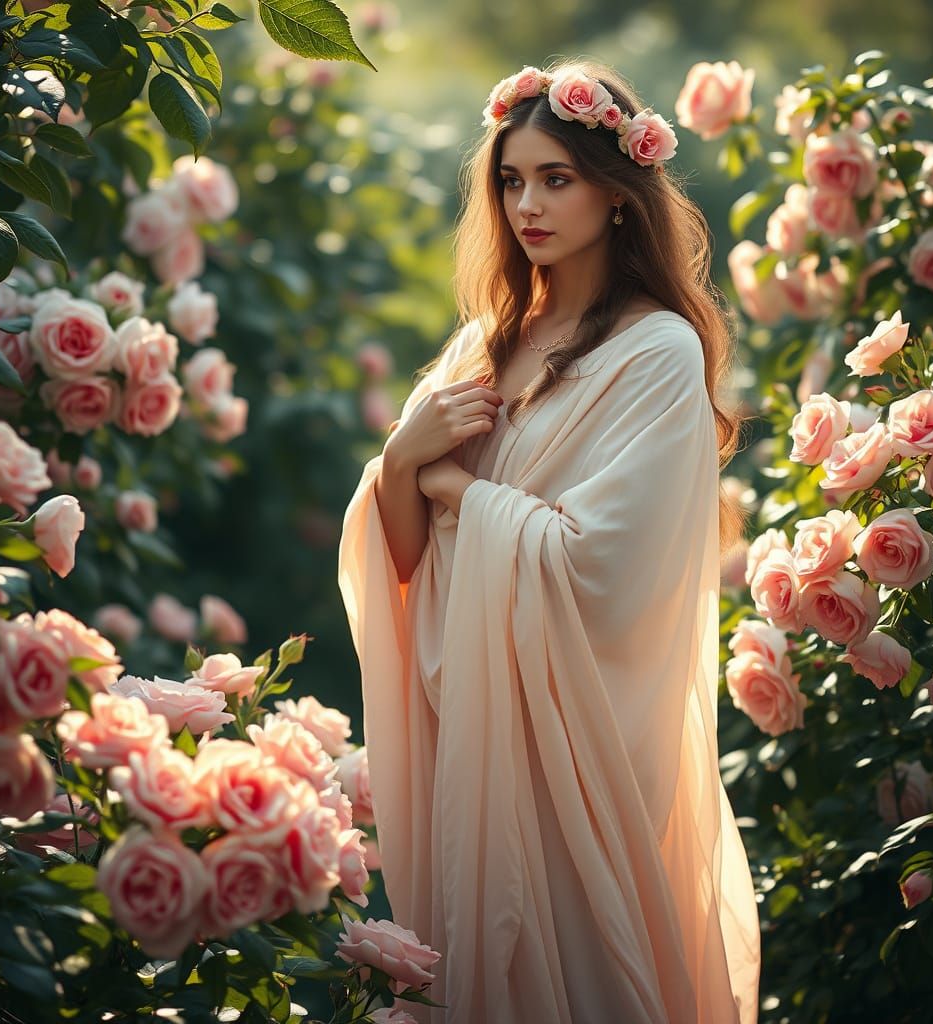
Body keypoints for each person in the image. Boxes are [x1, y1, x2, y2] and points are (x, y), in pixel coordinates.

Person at [338, 57, 761, 1024]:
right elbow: (403, 560)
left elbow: (592, 566)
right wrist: (400, 464)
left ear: (619, 194)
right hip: (470, 721)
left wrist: (448, 483)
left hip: (574, 737)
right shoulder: (488, 336)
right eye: (512, 180)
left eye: (556, 179)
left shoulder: (657, 351)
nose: (528, 203)